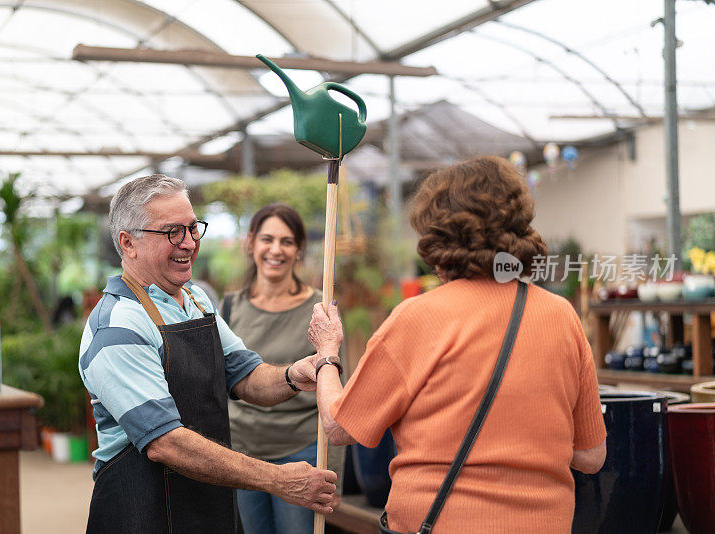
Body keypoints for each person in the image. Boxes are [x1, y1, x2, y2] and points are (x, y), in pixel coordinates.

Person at [308, 156, 606, 533]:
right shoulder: (562, 315)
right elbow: (590, 456)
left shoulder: (418, 318)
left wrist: (327, 353)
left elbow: (339, 426)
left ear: (436, 233)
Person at [79, 175, 337, 534]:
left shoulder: (196, 299)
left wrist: (294, 375)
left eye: (192, 228)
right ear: (128, 242)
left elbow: (245, 376)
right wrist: (276, 479)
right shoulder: (118, 325)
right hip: (143, 513)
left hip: (207, 503)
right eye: (172, 232)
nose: (188, 243)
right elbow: (166, 443)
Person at [221, 204, 345, 534]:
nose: (276, 250)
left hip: (302, 450)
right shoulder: (229, 307)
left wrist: (331, 469)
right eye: (267, 239)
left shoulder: (321, 307)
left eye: (287, 241)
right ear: (250, 243)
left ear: (299, 249)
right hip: (244, 455)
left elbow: (331, 385)